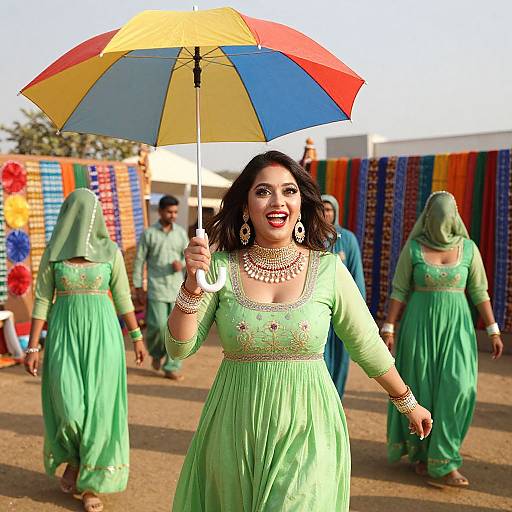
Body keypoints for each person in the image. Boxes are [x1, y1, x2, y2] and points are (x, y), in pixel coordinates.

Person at [165, 151, 432, 511]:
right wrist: (192, 287)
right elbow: (180, 348)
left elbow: (366, 342)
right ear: (245, 205)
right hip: (234, 426)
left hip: (309, 424)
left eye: (288, 191)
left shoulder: (327, 269)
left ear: (301, 203)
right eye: (263, 192)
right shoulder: (219, 268)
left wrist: (407, 401)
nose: (278, 202)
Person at [24, 188, 146, 512]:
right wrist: (32, 346)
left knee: (101, 410)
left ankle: (91, 483)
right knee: (69, 406)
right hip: (64, 335)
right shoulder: (54, 254)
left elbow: (122, 298)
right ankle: (74, 459)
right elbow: (40, 300)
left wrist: (136, 336)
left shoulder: (112, 253)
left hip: (104, 338)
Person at [383, 191, 504, 488]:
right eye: (437, 214)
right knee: (421, 388)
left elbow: (479, 292)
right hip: (419, 329)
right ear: (427, 217)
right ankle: (424, 455)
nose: (442, 220)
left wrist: (493, 330)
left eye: (448, 214)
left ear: (455, 217)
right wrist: (389, 327)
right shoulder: (413, 248)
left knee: (459, 388)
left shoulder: (469, 249)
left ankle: (446, 459)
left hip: (458, 329)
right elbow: (399, 290)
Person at [133, 195, 188, 380]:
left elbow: (188, 256)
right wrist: (138, 286)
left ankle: (171, 366)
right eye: (169, 212)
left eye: (175, 212)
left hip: (177, 290)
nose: (173, 215)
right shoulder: (149, 234)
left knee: (177, 331)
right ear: (161, 211)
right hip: (156, 289)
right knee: (157, 326)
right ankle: (156, 354)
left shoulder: (181, 233)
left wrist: (182, 263)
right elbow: (140, 260)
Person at [321, 194, 365, 399]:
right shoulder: (307, 237)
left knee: (339, 361)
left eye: (329, 209)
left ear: (336, 212)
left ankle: (334, 402)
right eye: (322, 208)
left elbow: (356, 276)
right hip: (317, 312)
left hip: (341, 312)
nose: (325, 213)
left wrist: (359, 314)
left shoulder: (348, 239)